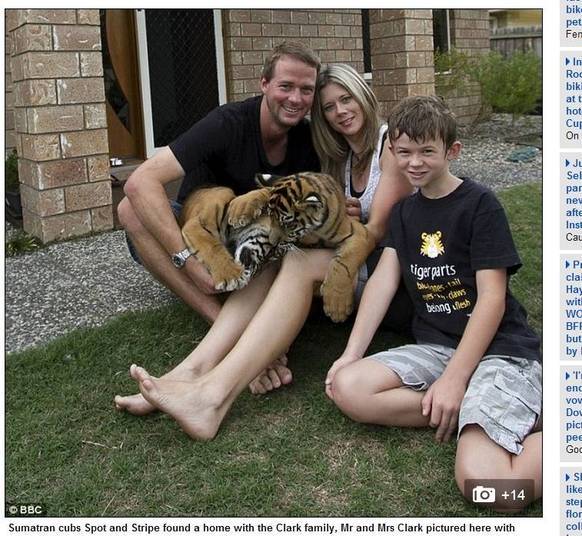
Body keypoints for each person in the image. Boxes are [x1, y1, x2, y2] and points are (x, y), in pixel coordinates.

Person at [114, 63, 412, 429]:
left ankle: (212, 397)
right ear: (265, 85)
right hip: (336, 253)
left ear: (365, 97)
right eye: (330, 107)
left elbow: (375, 231)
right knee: (275, 255)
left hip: (391, 268)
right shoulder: (337, 156)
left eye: (347, 100)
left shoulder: (389, 147)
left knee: (294, 258)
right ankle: (187, 372)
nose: (340, 112)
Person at [324, 95, 542, 511]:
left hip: (498, 350)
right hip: (436, 348)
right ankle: (487, 409)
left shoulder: (480, 205)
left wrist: (455, 379)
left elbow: (492, 300)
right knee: (349, 389)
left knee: (490, 488)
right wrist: (349, 355)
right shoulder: (404, 213)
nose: (415, 162)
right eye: (404, 152)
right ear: (392, 152)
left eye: (427, 151)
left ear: (451, 151)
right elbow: (382, 284)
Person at [117, 42, 321, 325]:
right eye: (285, 86)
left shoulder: (308, 139)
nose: (296, 99)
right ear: (264, 83)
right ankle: (215, 314)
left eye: (306, 89)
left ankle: (239, 307)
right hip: (197, 233)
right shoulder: (227, 123)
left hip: (251, 242)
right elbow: (139, 182)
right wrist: (188, 262)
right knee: (130, 209)